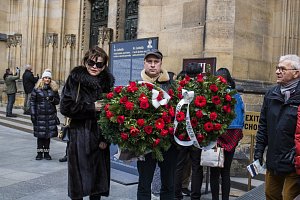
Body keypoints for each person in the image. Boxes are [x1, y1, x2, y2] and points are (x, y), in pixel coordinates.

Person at [60, 46, 114, 200]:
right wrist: (91, 107)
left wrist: (105, 139)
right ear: (85, 62)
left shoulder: (106, 82)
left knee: (96, 186)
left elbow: (111, 114)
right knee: (79, 183)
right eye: (91, 63)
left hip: (99, 139)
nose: (94, 67)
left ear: (104, 66)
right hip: (79, 137)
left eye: (99, 64)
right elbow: (65, 107)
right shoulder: (75, 79)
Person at [254, 54, 300, 200]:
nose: (277, 72)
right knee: (271, 195)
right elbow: (263, 126)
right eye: (277, 68)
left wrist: (295, 152)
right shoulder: (271, 94)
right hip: (274, 160)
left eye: (282, 69)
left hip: (294, 162)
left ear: (296, 73)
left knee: (288, 197)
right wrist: (258, 152)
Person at [137, 49, 178, 200]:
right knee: (144, 184)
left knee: (168, 184)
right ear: (144, 63)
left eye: (156, 62)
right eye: (149, 62)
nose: (153, 65)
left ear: (161, 64)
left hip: (169, 144)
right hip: (146, 143)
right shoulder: (137, 86)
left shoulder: (172, 85)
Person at [209, 68, 244, 200]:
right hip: (233, 134)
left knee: (214, 172)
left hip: (217, 134)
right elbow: (242, 115)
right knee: (226, 172)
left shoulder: (214, 94)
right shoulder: (237, 95)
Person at [174, 65, 204, 200]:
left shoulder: (180, 88)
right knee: (196, 166)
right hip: (197, 134)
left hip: (181, 133)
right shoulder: (202, 88)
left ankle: (177, 194)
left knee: (179, 164)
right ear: (199, 73)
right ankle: (195, 196)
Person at [30, 69, 60, 160]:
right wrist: (33, 114)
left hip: (50, 116)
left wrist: (52, 99)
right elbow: (32, 102)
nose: (47, 79)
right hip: (40, 115)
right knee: (40, 136)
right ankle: (39, 153)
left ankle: (46, 153)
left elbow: (57, 101)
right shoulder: (36, 89)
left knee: (48, 136)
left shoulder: (53, 89)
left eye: (49, 78)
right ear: (42, 78)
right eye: (45, 77)